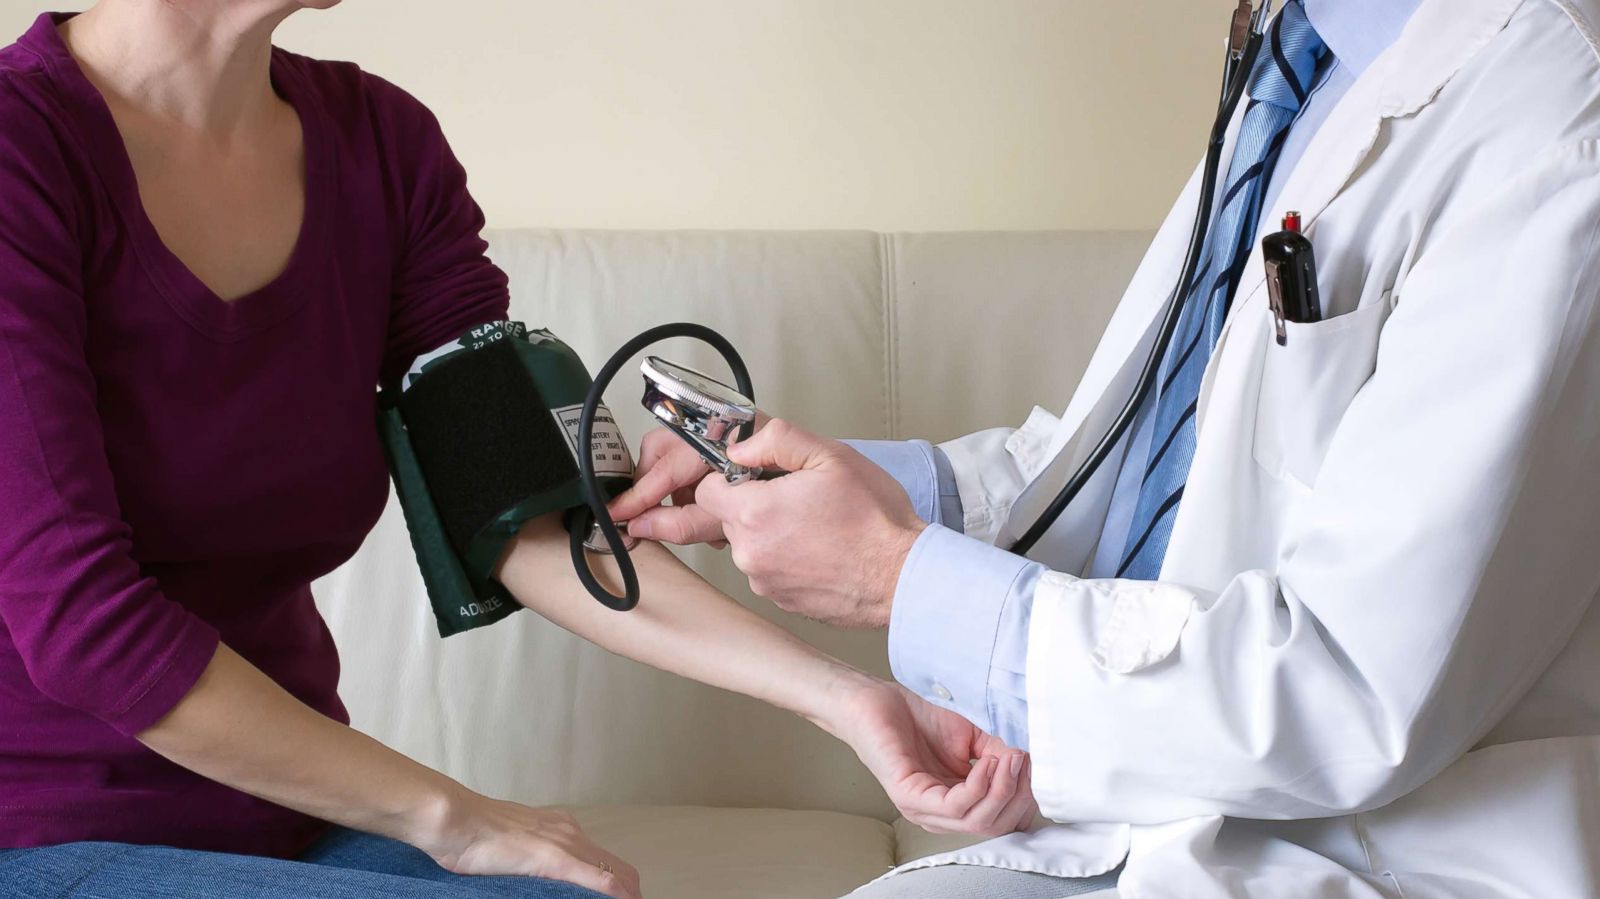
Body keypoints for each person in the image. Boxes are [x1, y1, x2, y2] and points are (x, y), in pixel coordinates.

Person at [0, 3, 1039, 897]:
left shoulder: (383, 150)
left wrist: (854, 702)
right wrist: (451, 814)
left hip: (285, 823)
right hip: (38, 836)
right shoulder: (22, 153)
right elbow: (83, 623)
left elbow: (522, 518)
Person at [611, 0, 1600, 895]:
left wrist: (891, 572)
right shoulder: (1305, 56)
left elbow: (1345, 691)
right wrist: (882, 494)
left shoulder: (1555, 116)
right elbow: (1152, 465)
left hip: (1383, 842)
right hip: (1169, 802)